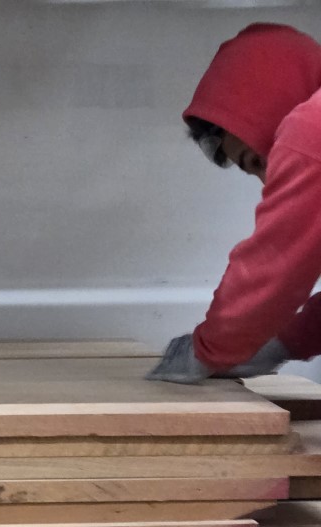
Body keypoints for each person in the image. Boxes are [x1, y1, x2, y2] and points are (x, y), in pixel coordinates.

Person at [147, 23, 321, 384]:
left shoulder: (312, 128)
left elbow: (275, 265)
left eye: (256, 160)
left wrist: (208, 349)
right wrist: (287, 341)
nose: (267, 181)